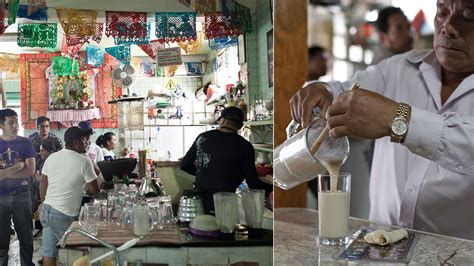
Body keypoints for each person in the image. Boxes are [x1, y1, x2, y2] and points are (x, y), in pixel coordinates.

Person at [289, 0, 474, 239]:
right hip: (380, 244)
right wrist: (325, 90)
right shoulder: (399, 67)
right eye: (441, 13)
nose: (448, 27)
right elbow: (348, 89)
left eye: (468, 16)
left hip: (454, 253)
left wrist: (399, 120)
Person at [181, 106, 272, 214]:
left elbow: (185, 165)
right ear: (241, 126)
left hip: (199, 200)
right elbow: (254, 184)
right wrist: (274, 190)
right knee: (223, 228)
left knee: (201, 228)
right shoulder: (245, 146)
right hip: (225, 203)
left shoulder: (203, 137)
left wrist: (206, 173)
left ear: (222, 120)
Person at [39, 127, 100, 266]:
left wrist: (43, 202)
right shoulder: (84, 161)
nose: (87, 144)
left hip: (47, 211)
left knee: (49, 253)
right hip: (63, 214)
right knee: (79, 252)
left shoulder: (52, 157)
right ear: (76, 142)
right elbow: (94, 190)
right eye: (85, 140)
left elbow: (43, 182)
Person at [0, 109, 36, 266]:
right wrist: (17, 167)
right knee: (1, 241)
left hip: (22, 195)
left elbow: (30, 170)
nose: (15, 126)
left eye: (17, 122)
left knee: (26, 238)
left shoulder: (25, 143)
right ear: (1, 125)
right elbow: (23, 168)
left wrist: (4, 173)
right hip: (0, 197)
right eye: (11, 123)